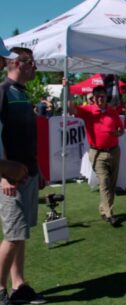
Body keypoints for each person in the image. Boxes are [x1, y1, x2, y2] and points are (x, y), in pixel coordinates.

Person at [0, 44, 47, 304]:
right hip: (11, 179)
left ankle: (19, 285)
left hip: (28, 174)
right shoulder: (3, 92)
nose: (35, 68)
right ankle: (0, 289)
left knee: (21, 235)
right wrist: (2, 177)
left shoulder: (23, 93)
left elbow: (26, 137)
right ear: (18, 64)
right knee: (13, 235)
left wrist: (38, 170)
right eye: (31, 63)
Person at [68, 85, 124, 227]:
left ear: (106, 97)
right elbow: (71, 108)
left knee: (111, 184)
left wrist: (117, 133)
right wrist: (67, 89)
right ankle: (110, 214)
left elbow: (121, 129)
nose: (100, 99)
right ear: (93, 98)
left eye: (102, 96)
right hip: (97, 153)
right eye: (97, 96)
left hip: (114, 151)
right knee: (104, 182)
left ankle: (103, 209)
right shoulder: (88, 111)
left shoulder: (112, 112)